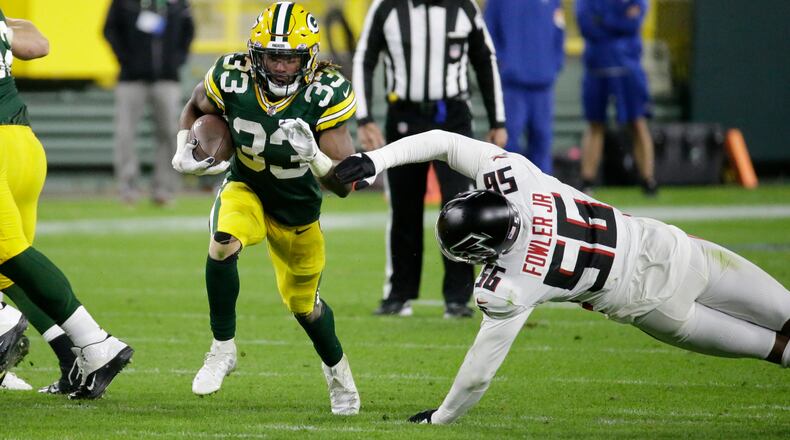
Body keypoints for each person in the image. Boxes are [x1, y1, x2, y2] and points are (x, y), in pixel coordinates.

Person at [330, 129, 790, 424]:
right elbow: (443, 142)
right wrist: (376, 160)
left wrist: (442, 417)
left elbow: (476, 376)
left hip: (656, 308)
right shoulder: (515, 175)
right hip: (682, 253)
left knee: (778, 351)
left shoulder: (508, 286)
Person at [171, 2, 360, 415]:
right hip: (247, 188)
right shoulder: (231, 75)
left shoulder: (326, 93)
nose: (279, 67)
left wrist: (316, 159)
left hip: (298, 211)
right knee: (223, 242)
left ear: (307, 59)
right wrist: (184, 143)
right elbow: (195, 105)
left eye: (290, 58)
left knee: (305, 307)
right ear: (256, 55)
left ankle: (338, 373)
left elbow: (345, 186)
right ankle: (222, 348)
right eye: (272, 56)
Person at [0, 10, 133, 400]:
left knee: (11, 254)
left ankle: (95, 344)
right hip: (23, 146)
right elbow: (36, 44)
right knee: (11, 272)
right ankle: (72, 356)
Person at [352, 0, 507, 318]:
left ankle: (458, 297)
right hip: (405, 114)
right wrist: (364, 117)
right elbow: (365, 58)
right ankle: (399, 294)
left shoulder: (463, 7)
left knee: (462, 206)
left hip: (452, 115)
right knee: (404, 207)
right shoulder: (388, 7)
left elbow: (484, 59)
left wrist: (497, 121)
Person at [103, 0, 195, 205]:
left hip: (167, 78)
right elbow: (109, 29)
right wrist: (126, 59)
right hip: (131, 77)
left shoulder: (178, 2)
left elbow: (188, 31)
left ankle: (164, 188)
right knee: (125, 132)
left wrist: (175, 61)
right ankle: (127, 187)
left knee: (170, 132)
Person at [576, 0, 657, 195]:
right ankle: (587, 180)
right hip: (597, 66)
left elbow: (634, 22)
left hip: (628, 66)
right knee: (595, 124)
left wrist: (603, 20)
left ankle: (648, 179)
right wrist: (619, 19)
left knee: (637, 122)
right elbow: (586, 26)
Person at [484, 0, 565, 174]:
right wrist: (504, 63)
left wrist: (554, 63)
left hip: (543, 82)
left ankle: (543, 193)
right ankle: (509, 192)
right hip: (513, 84)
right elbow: (489, 32)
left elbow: (559, 31)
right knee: (508, 141)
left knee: (542, 140)